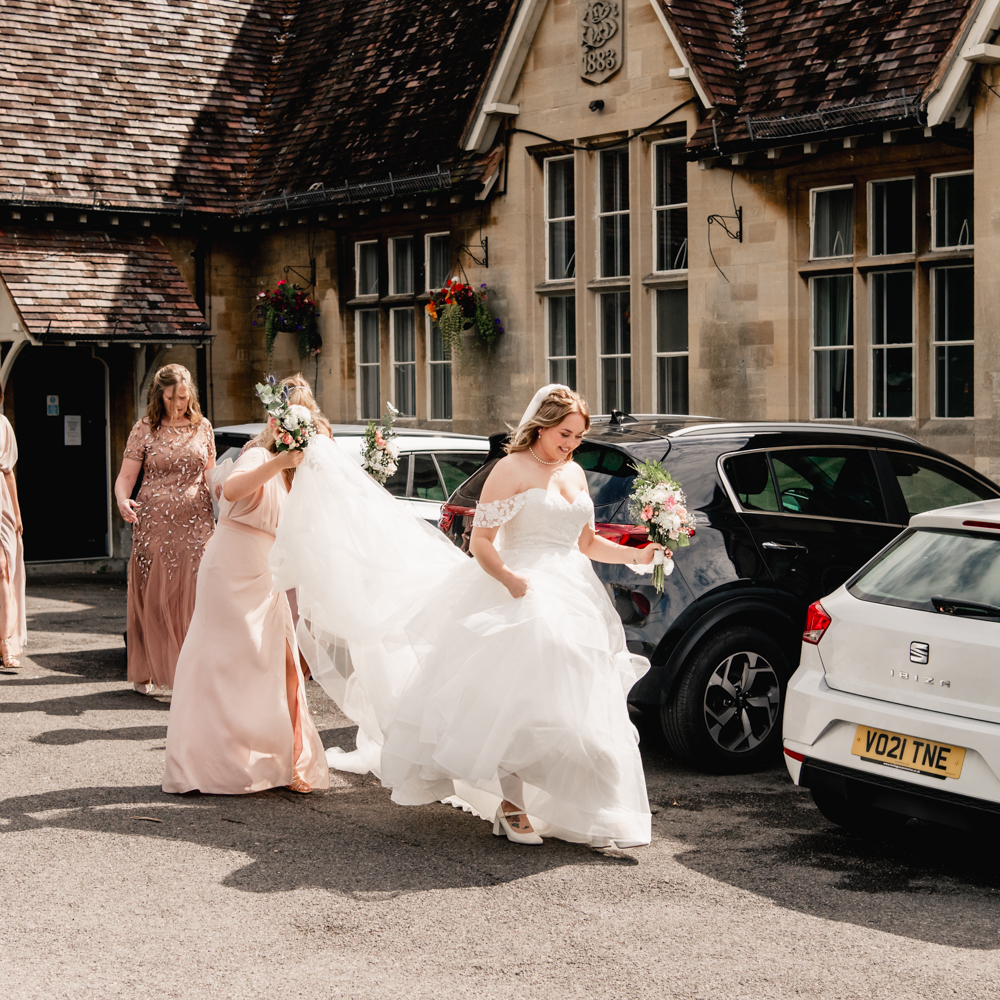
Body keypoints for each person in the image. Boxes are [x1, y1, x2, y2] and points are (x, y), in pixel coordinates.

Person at [272, 384, 660, 848]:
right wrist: (511, 581)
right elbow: (481, 543)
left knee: (581, 706)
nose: (571, 444)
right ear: (541, 426)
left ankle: (593, 809)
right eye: (564, 433)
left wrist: (639, 557)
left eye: (577, 436)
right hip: (520, 589)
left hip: (575, 595)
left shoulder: (575, 472)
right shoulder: (510, 469)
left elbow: (587, 543)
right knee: (515, 702)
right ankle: (512, 804)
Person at [162, 387, 330, 795]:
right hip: (228, 569)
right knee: (220, 661)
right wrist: (277, 461)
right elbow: (232, 491)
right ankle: (208, 764)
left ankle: (274, 758)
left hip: (264, 574)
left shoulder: (295, 479)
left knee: (269, 660)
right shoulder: (258, 455)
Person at [114, 364, 215, 693]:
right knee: (157, 598)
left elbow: (212, 478)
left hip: (197, 521)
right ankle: (150, 668)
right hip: (154, 521)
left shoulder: (204, 428)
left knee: (196, 595)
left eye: (184, 397)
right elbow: (126, 478)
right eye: (172, 398)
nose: (178, 404)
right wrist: (121, 500)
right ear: (160, 396)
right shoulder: (144, 429)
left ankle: (190, 672)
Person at [0, 387, 25, 670]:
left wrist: (17, 514)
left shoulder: (3, 425)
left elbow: (8, 472)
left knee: (3, 568)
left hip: (1, 504)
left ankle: (6, 641)